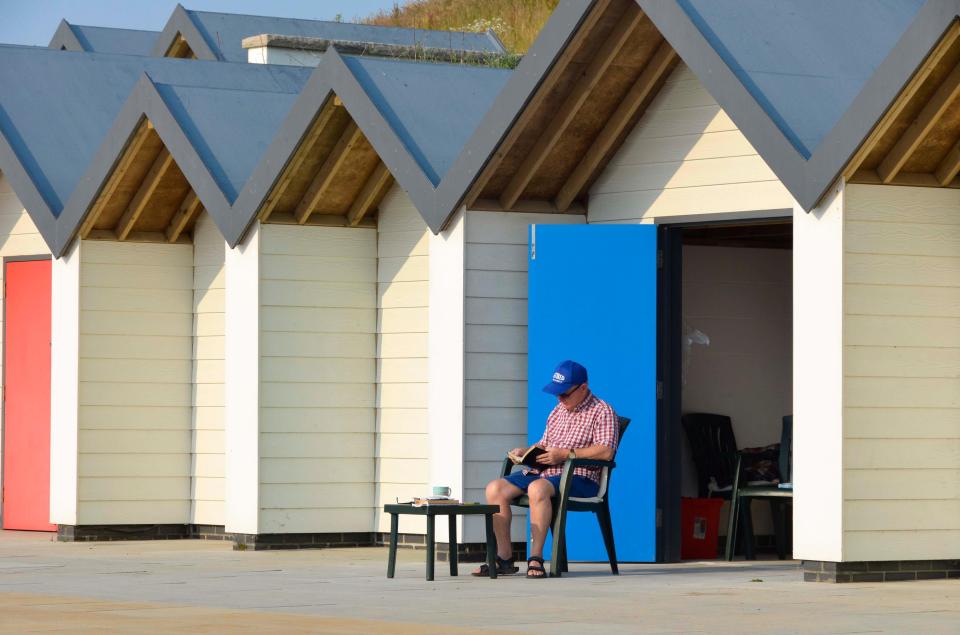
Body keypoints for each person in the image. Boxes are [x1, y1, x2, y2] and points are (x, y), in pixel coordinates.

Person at [472, 360, 618, 578]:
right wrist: (527, 451)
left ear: (583, 387)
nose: (560, 398)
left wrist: (567, 454)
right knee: (495, 488)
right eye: (557, 394)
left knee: (538, 489)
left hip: (579, 477)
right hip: (545, 472)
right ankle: (504, 558)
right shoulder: (558, 410)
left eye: (565, 394)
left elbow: (606, 451)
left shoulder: (602, 411)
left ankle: (536, 558)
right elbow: (546, 443)